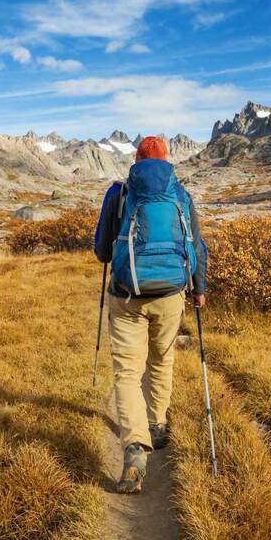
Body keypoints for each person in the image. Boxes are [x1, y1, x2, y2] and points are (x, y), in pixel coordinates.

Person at [93, 135, 208, 494]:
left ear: (136, 159)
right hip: (172, 294)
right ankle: (157, 425)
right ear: (167, 160)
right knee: (162, 360)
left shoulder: (120, 193)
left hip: (127, 294)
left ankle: (133, 448)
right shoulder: (181, 195)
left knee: (127, 372)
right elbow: (197, 244)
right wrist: (200, 289)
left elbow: (101, 250)